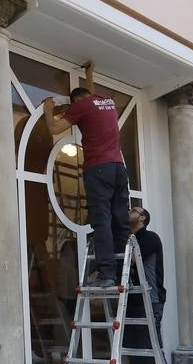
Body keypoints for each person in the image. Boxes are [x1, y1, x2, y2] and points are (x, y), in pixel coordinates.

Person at [44, 63, 131, 289]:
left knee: (101, 221)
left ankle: (107, 274)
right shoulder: (105, 102)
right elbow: (89, 95)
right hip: (118, 168)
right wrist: (89, 74)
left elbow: (54, 129)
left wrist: (48, 108)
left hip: (98, 168)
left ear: (76, 102)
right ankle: (125, 273)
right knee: (120, 221)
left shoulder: (81, 106)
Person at [124, 206, 168, 364]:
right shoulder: (131, 240)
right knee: (134, 345)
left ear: (142, 218)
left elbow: (133, 260)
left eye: (134, 210)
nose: (129, 212)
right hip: (133, 300)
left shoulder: (150, 238)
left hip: (151, 299)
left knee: (152, 345)